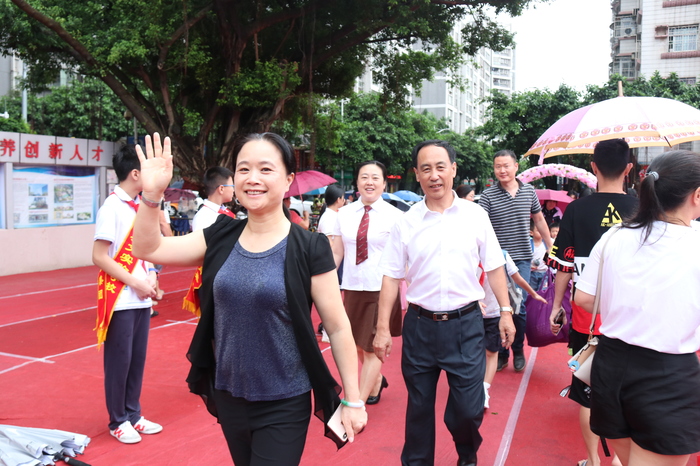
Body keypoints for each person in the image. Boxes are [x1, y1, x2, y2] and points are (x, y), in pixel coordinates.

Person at [131, 132, 366, 465]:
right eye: (243, 169)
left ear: (288, 179)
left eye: (265, 169)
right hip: (230, 396)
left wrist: (353, 400)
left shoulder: (309, 248)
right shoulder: (221, 235)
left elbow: (338, 327)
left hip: (284, 401)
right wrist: (152, 195)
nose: (252, 178)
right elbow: (147, 248)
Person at [373, 140, 515, 466]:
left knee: (467, 410)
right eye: (426, 169)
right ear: (417, 174)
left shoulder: (475, 215)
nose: (434, 175)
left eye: (440, 167)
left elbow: (495, 266)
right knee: (419, 408)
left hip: (465, 326)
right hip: (419, 327)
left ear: (453, 169)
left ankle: (467, 454)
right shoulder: (406, 222)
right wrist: (382, 329)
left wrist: (505, 312)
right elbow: (391, 277)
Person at [574, 150, 700, 466]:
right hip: (667, 375)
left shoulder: (616, 235)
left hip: (610, 367)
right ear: (696, 195)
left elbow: (584, 298)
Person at [547, 138, 637, 466]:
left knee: (588, 393)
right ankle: (620, 461)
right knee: (627, 393)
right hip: (632, 320)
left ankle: (592, 460)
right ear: (629, 169)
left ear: (593, 167)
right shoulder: (644, 209)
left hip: (588, 320)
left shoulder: (576, 210)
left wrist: (557, 306)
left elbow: (564, 265)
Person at [92, 144, 162, 444]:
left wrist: (152, 275)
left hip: (141, 297)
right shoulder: (111, 207)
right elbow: (99, 256)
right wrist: (135, 283)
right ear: (135, 174)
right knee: (119, 363)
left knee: (136, 361)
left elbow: (147, 251)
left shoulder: (141, 207)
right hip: (120, 298)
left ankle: (133, 413)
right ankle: (117, 420)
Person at [329, 161, 404, 405]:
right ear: (357, 182)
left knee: (372, 347)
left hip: (381, 289)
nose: (369, 182)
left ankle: (356, 402)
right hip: (352, 286)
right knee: (356, 344)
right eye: (364, 177)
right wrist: (325, 280)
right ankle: (377, 380)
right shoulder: (344, 214)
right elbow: (337, 252)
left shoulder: (396, 217)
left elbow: (404, 257)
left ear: (384, 183)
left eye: (375, 177)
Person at [478, 149, 553, 373]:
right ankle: (501, 352)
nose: (502, 170)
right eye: (497, 166)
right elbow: (479, 226)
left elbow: (539, 219)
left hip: (521, 257)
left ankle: (518, 349)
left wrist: (551, 245)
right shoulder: (488, 196)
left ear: (516, 167)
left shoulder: (529, 191)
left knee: (518, 306)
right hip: (496, 259)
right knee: (500, 306)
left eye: (506, 166)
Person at [481, 251, 546, 410]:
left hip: (495, 313)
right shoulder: (468, 254)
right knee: (473, 351)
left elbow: (517, 278)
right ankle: (472, 385)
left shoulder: (502, 255)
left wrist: (533, 294)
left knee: (491, 352)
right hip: (473, 312)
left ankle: (484, 390)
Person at [191, 167, 235, 231]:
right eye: (232, 186)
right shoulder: (202, 218)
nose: (233, 190)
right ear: (221, 189)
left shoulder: (224, 211)